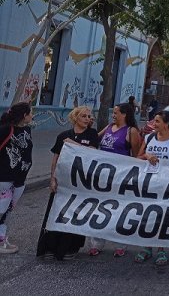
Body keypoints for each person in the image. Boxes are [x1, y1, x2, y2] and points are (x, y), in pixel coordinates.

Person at [37, 106, 99, 260]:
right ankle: (50, 246)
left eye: (89, 116)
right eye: (83, 116)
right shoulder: (63, 135)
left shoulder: (91, 134)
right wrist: (52, 178)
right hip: (63, 181)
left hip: (80, 182)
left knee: (76, 213)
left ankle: (71, 247)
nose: (87, 119)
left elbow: (91, 153)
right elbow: (56, 158)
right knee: (57, 212)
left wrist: (72, 144)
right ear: (75, 118)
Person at [135, 110, 169, 265]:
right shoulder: (149, 137)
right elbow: (138, 157)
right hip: (149, 182)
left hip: (168, 184)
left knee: (163, 216)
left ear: (167, 124)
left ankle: (161, 249)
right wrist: (147, 156)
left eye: (157, 121)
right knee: (148, 215)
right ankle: (146, 247)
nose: (153, 124)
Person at [91, 103, 141, 258]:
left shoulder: (131, 131)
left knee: (120, 210)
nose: (113, 115)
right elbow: (93, 140)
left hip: (121, 177)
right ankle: (96, 243)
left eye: (116, 112)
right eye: (113, 112)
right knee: (100, 209)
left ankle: (120, 244)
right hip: (103, 176)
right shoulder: (108, 127)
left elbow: (137, 155)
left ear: (125, 114)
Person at [0, 102, 33, 254]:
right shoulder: (6, 129)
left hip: (20, 179)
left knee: (8, 210)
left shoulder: (27, 129)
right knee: (2, 209)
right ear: (24, 115)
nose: (32, 116)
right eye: (30, 113)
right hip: (4, 177)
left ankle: (2, 238)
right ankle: (1, 241)